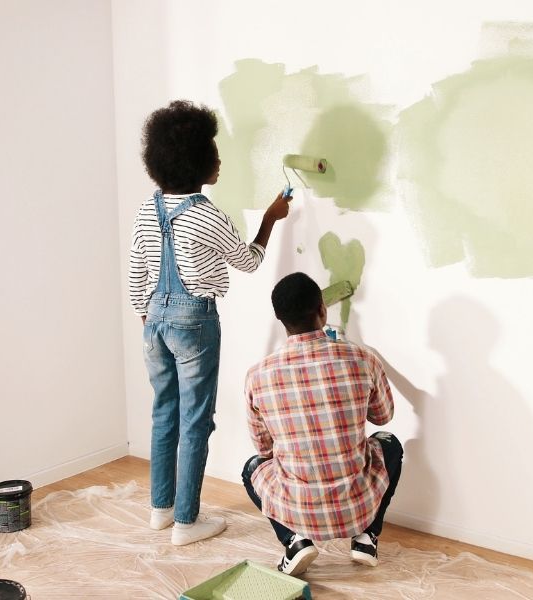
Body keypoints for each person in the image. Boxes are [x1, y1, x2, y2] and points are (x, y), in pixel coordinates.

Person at [129, 100, 291, 546]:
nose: (219, 159)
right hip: (194, 322)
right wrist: (269, 220)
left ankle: (160, 510)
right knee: (196, 420)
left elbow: (137, 274)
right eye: (213, 150)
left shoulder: (147, 210)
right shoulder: (206, 214)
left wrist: (151, 317)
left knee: (164, 413)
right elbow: (249, 261)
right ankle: (186, 522)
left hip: (153, 320)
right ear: (195, 160)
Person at [242, 272, 404, 575]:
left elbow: (264, 449)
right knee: (389, 443)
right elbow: (382, 417)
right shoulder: (362, 358)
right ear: (322, 310)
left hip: (298, 506)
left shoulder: (257, 375)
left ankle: (294, 541)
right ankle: (366, 537)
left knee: (252, 467)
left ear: (280, 319)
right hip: (356, 502)